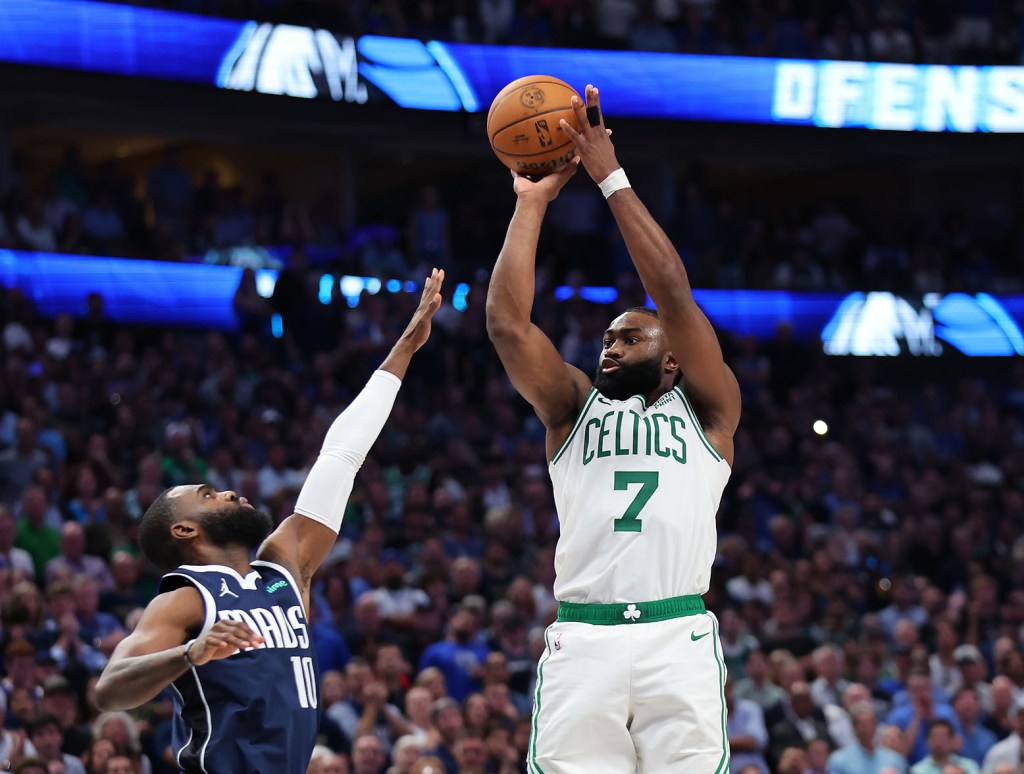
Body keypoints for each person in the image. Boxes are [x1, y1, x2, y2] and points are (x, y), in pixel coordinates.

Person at [93, 270, 445, 774]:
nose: (230, 492)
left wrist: (405, 349)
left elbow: (341, 456)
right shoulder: (185, 598)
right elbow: (110, 689)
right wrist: (189, 654)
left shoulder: (285, 564)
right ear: (184, 530)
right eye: (208, 495)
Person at [486, 84, 741, 772]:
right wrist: (530, 204)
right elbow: (508, 326)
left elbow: (672, 292)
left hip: (676, 634)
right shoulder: (572, 407)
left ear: (672, 357)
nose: (611, 347)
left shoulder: (709, 411)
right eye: (607, 338)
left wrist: (610, 177)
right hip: (585, 636)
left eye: (629, 338)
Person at [910, 719, 980, 773]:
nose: (939, 741)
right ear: (928, 741)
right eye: (935, 737)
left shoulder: (969, 766)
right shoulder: (918, 770)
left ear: (952, 740)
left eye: (943, 737)